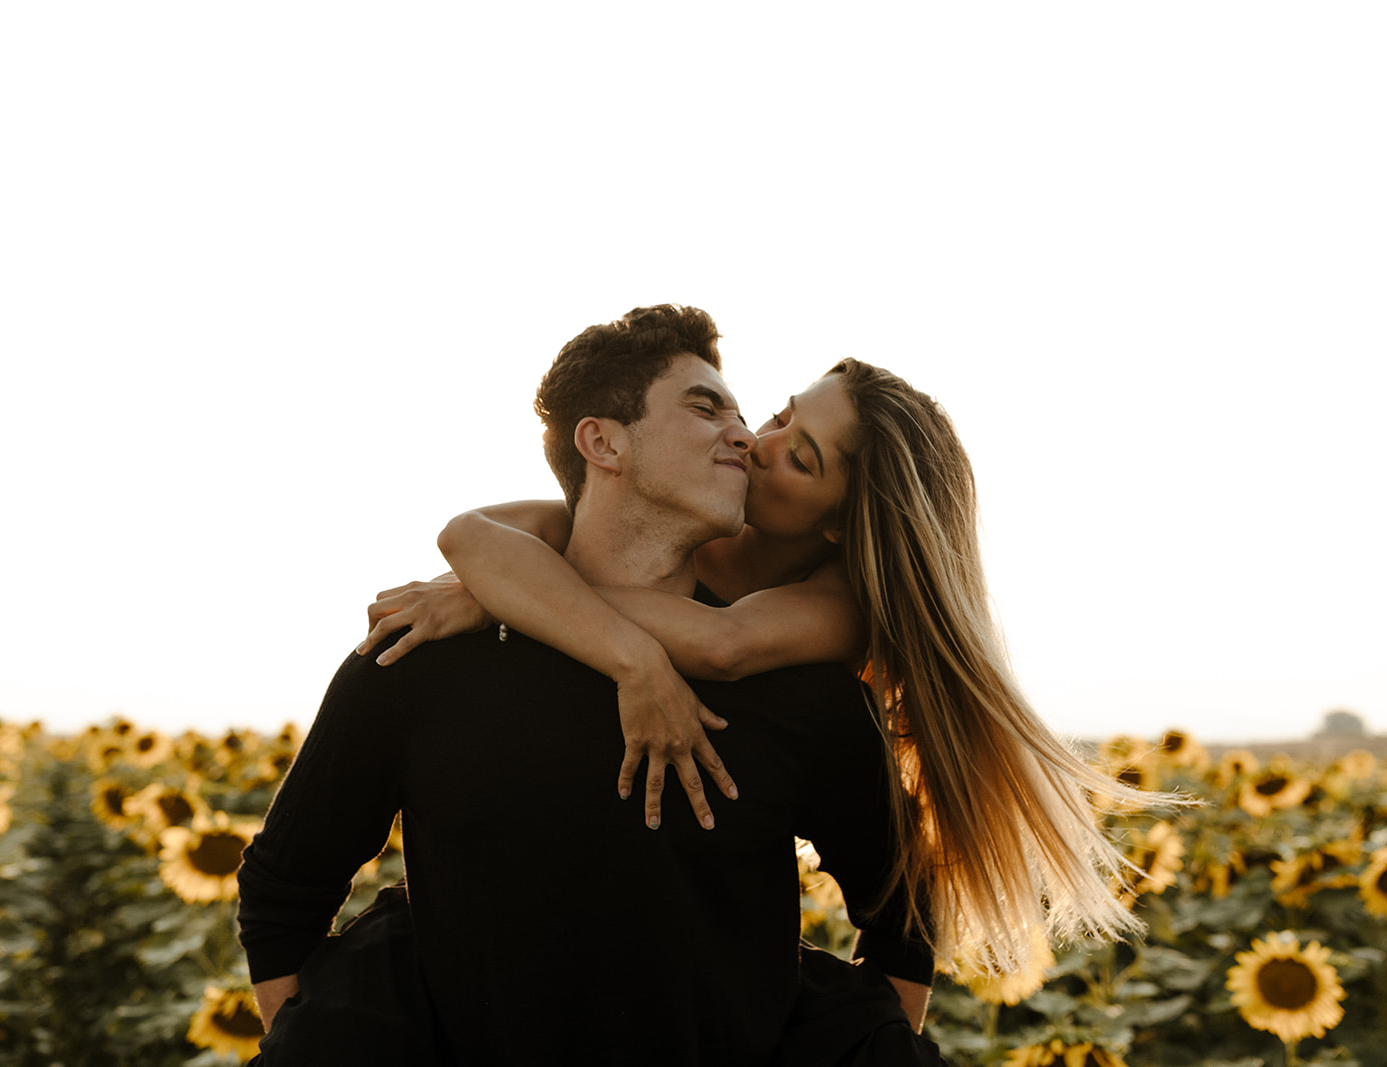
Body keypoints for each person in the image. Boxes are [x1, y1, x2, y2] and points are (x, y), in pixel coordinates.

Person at [237, 305, 945, 1065]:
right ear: (602, 440)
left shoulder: (804, 687)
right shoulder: (424, 654)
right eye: (709, 408)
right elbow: (284, 899)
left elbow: (904, 925)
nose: (748, 437)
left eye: (773, 434)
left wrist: (495, 595)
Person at [360, 351, 1157, 979]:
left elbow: (722, 645)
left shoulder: (835, 604)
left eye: (800, 457)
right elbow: (470, 535)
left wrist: (509, 595)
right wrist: (502, 587)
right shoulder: (678, 516)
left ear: (843, 526)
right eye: (779, 414)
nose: (757, 441)